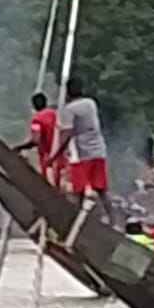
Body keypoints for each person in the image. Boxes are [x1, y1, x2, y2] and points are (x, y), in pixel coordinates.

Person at [55, 76, 111, 217]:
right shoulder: (90, 103)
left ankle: (75, 220)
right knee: (102, 190)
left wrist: (55, 155)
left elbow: (67, 134)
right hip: (99, 150)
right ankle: (113, 220)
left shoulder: (69, 109)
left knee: (78, 191)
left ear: (67, 92)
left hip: (82, 154)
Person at [14, 92, 65, 185]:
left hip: (49, 160)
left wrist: (19, 148)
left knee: (50, 189)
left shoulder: (37, 120)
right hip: (62, 158)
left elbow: (35, 140)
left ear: (34, 105)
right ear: (46, 102)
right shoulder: (56, 114)